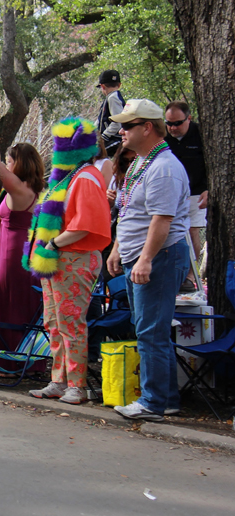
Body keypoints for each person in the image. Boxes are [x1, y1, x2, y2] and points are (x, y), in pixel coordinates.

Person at [107, 99, 190, 421]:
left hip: (161, 257)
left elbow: (161, 220)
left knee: (150, 332)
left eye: (128, 125)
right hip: (139, 256)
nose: (121, 131)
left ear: (147, 128)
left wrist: (144, 260)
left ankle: (153, 402)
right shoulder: (142, 163)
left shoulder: (164, 168)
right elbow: (129, 212)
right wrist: (117, 249)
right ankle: (166, 398)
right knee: (150, 330)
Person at [23, 118, 111, 404]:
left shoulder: (84, 178)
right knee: (54, 322)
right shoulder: (69, 177)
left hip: (74, 258)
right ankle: (59, 380)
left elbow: (84, 225)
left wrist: (52, 243)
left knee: (70, 323)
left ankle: (76, 384)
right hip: (58, 258)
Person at [0, 142, 45, 374]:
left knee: (10, 301)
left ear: (19, 163)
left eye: (11, 161)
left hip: (13, 255)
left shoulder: (19, 189)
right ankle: (27, 361)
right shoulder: (33, 190)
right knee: (21, 303)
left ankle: (14, 361)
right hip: (19, 248)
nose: (7, 165)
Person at [164, 101, 207, 292]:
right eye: (169, 123)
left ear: (189, 118)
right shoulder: (163, 137)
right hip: (170, 191)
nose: (173, 128)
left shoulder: (200, 134)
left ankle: (190, 275)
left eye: (178, 123)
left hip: (196, 192)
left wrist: (209, 188)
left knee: (191, 232)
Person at [96, 70, 125, 157]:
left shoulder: (113, 98)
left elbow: (117, 122)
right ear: (119, 84)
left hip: (114, 140)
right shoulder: (112, 97)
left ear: (102, 86)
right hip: (111, 139)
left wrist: (103, 137)